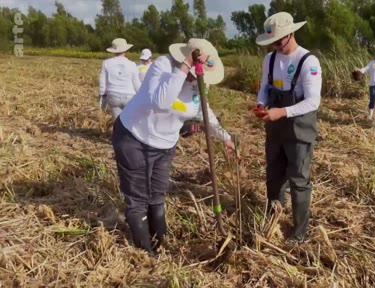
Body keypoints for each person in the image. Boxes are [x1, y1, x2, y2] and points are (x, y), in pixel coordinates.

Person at [112, 38, 236, 256]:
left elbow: (204, 112)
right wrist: (184, 68)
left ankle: (161, 244)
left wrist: (224, 137)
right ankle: (145, 254)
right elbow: (159, 101)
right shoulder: (163, 66)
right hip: (134, 138)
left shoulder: (197, 83)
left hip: (165, 145)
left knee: (157, 197)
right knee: (138, 199)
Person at [253, 12, 322, 244]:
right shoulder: (270, 59)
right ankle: (272, 219)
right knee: (273, 177)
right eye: (272, 42)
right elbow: (265, 86)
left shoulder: (308, 61)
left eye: (279, 41)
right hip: (275, 129)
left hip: (299, 129)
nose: (275, 46)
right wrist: (261, 103)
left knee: (299, 180)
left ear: (291, 33)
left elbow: (313, 102)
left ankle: (299, 232)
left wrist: (281, 112)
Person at [99, 38, 141, 121]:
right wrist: (141, 95)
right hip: (129, 96)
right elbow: (136, 83)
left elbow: (102, 82)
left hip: (113, 95)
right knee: (128, 122)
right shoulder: (132, 64)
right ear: (125, 50)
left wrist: (102, 96)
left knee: (117, 121)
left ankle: (118, 133)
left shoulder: (106, 63)